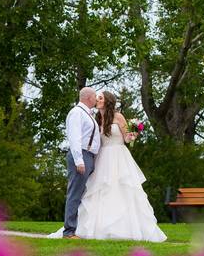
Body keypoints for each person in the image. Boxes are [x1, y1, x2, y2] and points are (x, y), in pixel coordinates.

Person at [51, 90, 166, 243]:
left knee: (121, 190)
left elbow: (126, 138)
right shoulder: (95, 118)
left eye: (100, 98)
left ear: (108, 101)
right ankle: (83, 228)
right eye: (96, 97)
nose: (97, 100)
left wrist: (133, 134)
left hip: (119, 157)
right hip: (101, 158)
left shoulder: (118, 117)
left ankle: (125, 228)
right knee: (98, 191)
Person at [60, 87, 101, 239]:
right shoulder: (76, 113)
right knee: (75, 194)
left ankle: (79, 228)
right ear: (89, 97)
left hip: (88, 156)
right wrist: (79, 160)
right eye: (95, 96)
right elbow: (74, 138)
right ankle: (69, 231)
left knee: (83, 194)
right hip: (81, 156)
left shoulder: (88, 114)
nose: (96, 99)